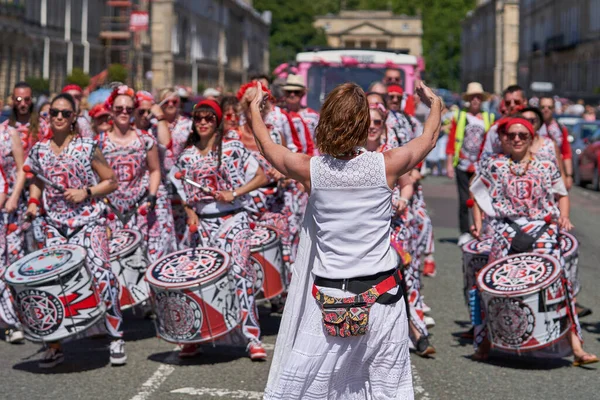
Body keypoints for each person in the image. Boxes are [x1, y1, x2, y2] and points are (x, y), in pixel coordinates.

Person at [259, 81, 442, 398]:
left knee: (319, 386)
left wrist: (252, 107)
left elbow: (266, 146)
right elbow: (429, 139)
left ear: (325, 122)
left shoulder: (310, 169)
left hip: (329, 299)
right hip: (381, 296)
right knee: (384, 388)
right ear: (362, 124)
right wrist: (435, 103)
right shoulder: (386, 164)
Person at [469, 116, 598, 366]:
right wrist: (479, 222)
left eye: (523, 135)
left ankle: (577, 348)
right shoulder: (494, 165)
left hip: (543, 230)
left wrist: (564, 216)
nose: (517, 139)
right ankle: (485, 344)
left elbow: (562, 195)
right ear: (504, 139)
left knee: (559, 288)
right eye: (511, 135)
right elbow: (477, 193)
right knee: (494, 287)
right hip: (505, 231)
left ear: (531, 139)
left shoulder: (546, 165)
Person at [25, 93, 125, 368]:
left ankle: (115, 336)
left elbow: (111, 181)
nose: (58, 117)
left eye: (64, 114)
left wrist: (87, 191)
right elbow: (37, 180)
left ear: (73, 118)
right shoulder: (39, 150)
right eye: (54, 113)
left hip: (88, 222)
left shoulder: (87, 147)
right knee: (49, 285)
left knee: (102, 275)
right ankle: (54, 346)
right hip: (55, 227)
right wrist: (33, 204)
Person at [169, 99, 269, 360]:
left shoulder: (233, 148)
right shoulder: (187, 156)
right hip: (203, 224)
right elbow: (185, 197)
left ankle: (251, 338)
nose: (203, 122)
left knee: (239, 274)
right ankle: (197, 336)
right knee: (199, 280)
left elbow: (261, 176)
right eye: (198, 118)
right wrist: (191, 215)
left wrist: (233, 192)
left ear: (217, 121)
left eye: (209, 118)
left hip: (233, 219)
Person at [98, 86, 176, 263]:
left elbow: (155, 169)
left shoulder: (145, 139)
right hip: (114, 210)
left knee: (150, 259)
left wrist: (152, 195)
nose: (124, 112)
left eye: (128, 109)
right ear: (111, 110)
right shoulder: (100, 142)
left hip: (142, 208)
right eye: (119, 109)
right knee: (118, 262)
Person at [446, 82, 495, 246]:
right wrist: (448, 163)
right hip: (463, 164)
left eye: (478, 97)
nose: (475, 100)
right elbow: (452, 139)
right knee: (464, 200)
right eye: (473, 97)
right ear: (468, 99)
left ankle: (481, 229)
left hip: (482, 166)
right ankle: (465, 231)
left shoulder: (489, 117)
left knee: (482, 199)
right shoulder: (460, 116)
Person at [480, 85, 527, 159]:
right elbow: (486, 155)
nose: (512, 105)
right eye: (508, 103)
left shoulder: (534, 124)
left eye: (516, 102)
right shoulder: (495, 129)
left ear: (524, 102)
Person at [539, 96, 574, 190]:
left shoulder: (560, 128)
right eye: (543, 107)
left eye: (549, 107)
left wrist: (568, 176)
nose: (546, 110)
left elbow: (566, 153)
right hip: (538, 174)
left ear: (553, 109)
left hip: (557, 173)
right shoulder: (534, 127)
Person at [281, 75, 317, 154]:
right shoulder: (278, 115)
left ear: (302, 94)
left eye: (296, 92)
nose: (292, 94)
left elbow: (317, 141)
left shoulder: (313, 116)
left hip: (307, 157)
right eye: (289, 91)